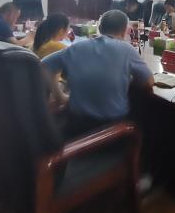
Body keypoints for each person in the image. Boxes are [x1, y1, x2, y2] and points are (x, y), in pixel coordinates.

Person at [42, 9, 154, 137]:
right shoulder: (127, 49)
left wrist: (60, 96)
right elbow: (149, 81)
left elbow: (44, 65)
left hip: (75, 126)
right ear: (124, 31)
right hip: (111, 132)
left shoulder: (77, 47)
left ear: (100, 29)